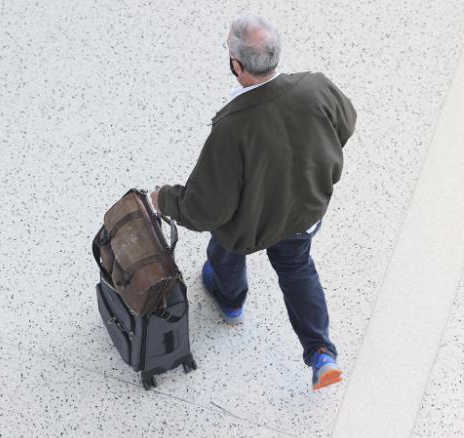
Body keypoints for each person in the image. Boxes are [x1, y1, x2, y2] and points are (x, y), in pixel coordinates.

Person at [150, 14, 356, 391]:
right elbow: (345, 123)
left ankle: (231, 304)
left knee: (224, 255)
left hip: (246, 226)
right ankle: (321, 353)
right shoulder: (316, 87)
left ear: (236, 66)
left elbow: (206, 208)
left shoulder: (232, 127)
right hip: (301, 214)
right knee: (297, 272)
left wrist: (163, 198)